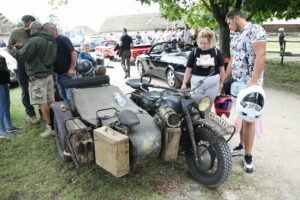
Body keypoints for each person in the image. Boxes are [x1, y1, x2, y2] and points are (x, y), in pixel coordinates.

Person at [224, 9, 266, 173]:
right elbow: (232, 60)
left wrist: (253, 82)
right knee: (241, 116)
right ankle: (241, 146)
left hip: (250, 84)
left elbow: (261, 54)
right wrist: (223, 81)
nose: (229, 27)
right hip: (236, 84)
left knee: (250, 119)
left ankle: (248, 156)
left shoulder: (256, 30)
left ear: (236, 18)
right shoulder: (236, 35)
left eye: (229, 23)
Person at [10, 21, 57, 137]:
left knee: (42, 102)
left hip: (37, 76)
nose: (30, 32)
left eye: (30, 30)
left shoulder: (34, 40)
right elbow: (38, 52)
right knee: (51, 100)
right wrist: (25, 47)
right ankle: (56, 124)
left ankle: (50, 127)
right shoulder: (51, 40)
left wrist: (14, 51)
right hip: (49, 74)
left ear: (34, 30)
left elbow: (23, 56)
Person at [7, 15, 39, 125]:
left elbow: (39, 45)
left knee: (39, 88)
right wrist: (17, 56)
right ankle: (32, 115)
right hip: (21, 66)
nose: (26, 26)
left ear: (33, 23)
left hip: (36, 65)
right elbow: (9, 48)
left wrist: (24, 45)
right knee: (25, 91)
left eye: (29, 24)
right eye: (24, 23)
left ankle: (43, 112)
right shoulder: (16, 32)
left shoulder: (37, 31)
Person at [181, 27, 225, 106]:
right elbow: (188, 70)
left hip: (213, 84)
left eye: (205, 43)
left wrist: (222, 83)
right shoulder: (194, 52)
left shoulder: (217, 52)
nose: (202, 45)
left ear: (210, 41)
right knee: (196, 105)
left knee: (208, 105)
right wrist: (184, 83)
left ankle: (207, 118)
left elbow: (222, 70)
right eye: (200, 43)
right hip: (197, 84)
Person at [43, 22, 77, 108]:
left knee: (71, 97)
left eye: (46, 30)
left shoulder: (63, 39)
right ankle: (71, 113)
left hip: (67, 74)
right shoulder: (51, 42)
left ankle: (76, 114)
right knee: (64, 96)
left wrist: (71, 68)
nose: (45, 32)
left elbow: (73, 52)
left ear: (52, 29)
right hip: (58, 75)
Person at [0, 55, 22, 138]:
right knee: (1, 107)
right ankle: (1, 130)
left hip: (3, 80)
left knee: (6, 104)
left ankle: (9, 126)